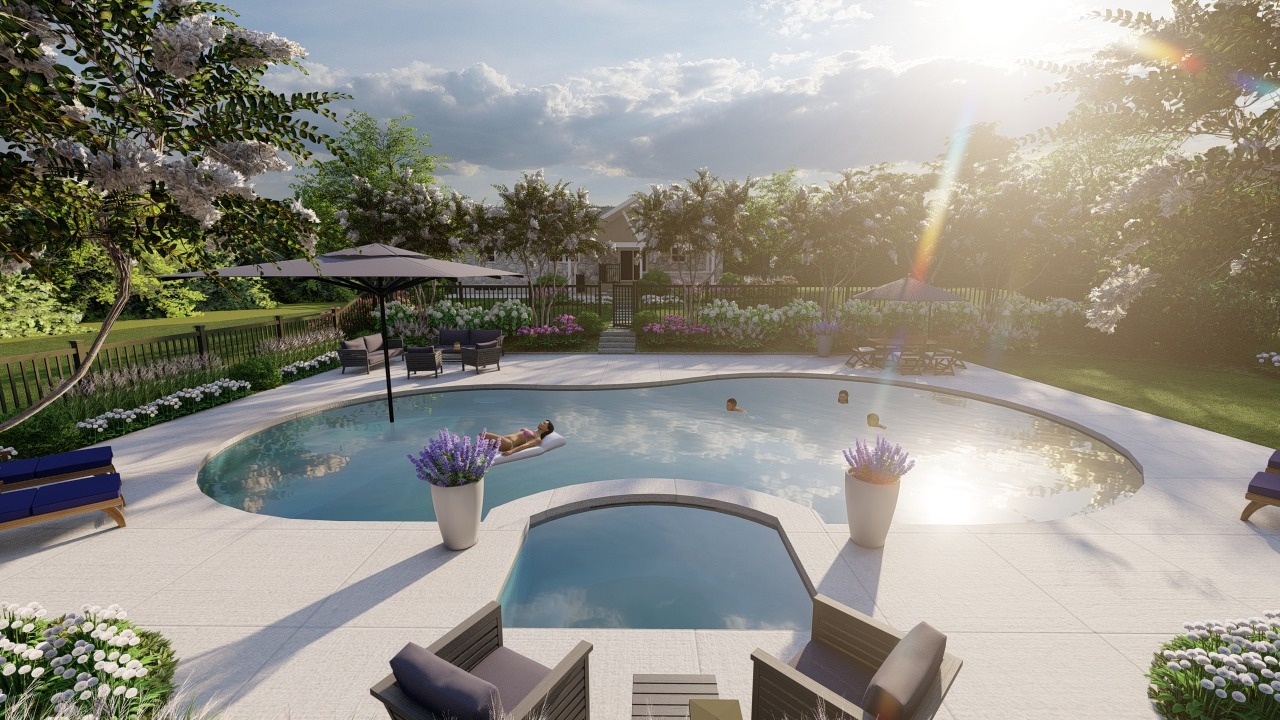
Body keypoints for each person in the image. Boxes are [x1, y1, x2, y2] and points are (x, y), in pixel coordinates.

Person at [485, 420, 554, 456]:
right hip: (504, 440)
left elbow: (526, 445)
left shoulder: (537, 438)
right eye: (542, 422)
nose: (541, 423)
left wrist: (511, 451)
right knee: (481, 445)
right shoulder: (533, 431)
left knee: (483, 435)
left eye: (544, 423)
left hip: (509, 444)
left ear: (547, 429)